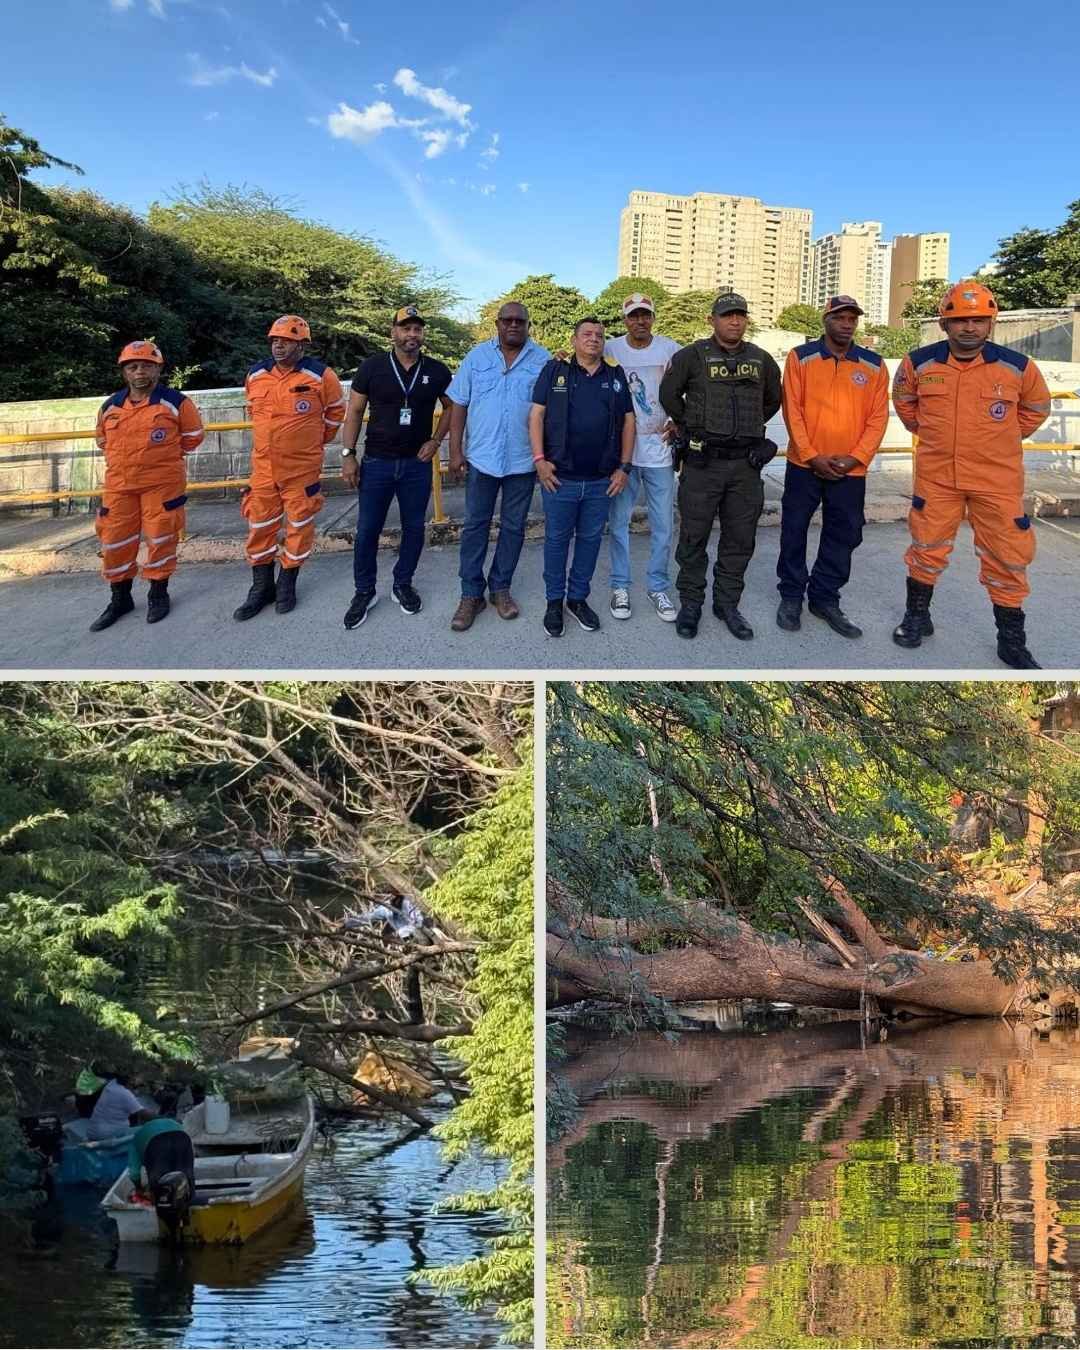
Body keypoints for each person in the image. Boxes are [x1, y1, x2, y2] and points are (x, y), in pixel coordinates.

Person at [891, 280, 1052, 668]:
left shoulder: (1018, 368)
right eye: (960, 320)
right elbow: (905, 405)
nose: (969, 328)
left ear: (991, 322)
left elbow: (1036, 409)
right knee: (926, 548)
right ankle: (917, 617)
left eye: (978, 320)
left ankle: (1011, 640)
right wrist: (934, 436)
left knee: (1007, 557)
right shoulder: (918, 363)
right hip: (937, 478)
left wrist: (1001, 439)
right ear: (944, 324)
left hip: (996, 481)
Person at [659, 293, 782, 640]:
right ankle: (691, 603)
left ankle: (727, 604)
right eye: (727, 315)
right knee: (694, 537)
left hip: (745, 466)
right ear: (712, 319)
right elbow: (668, 394)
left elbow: (774, 399)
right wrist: (689, 425)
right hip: (702, 464)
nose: (735, 321)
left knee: (739, 540)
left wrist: (749, 428)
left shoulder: (761, 359)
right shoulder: (691, 356)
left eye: (741, 315)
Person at [776, 295, 889, 638]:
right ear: (825, 320)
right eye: (839, 317)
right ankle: (792, 595)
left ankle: (824, 597)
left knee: (845, 534)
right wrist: (811, 455)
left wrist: (856, 457)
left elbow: (878, 416)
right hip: (804, 465)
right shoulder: (801, 357)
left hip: (850, 470)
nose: (846, 324)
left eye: (852, 318)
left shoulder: (873, 364)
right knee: (794, 530)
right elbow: (792, 410)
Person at [341, 306, 453, 629]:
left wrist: (436, 440)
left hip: (416, 465)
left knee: (414, 528)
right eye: (405, 329)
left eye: (417, 329)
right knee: (367, 531)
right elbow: (354, 412)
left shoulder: (435, 370)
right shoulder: (372, 367)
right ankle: (364, 592)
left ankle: (402, 584)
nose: (412, 335)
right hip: (376, 462)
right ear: (393, 332)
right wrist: (348, 454)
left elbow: (452, 407)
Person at [445, 301, 550, 631]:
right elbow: (458, 405)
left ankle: (500, 589)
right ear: (497, 323)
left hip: (522, 460)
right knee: (475, 526)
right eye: (508, 320)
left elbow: (550, 411)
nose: (514, 325)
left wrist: (544, 457)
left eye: (520, 320)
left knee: (514, 528)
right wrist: (455, 451)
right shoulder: (477, 357)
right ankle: (470, 594)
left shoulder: (542, 359)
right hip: (482, 459)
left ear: (528, 324)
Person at [233, 316, 346, 621]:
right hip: (264, 468)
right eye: (274, 340)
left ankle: (287, 583)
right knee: (259, 527)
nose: (278, 345)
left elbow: (336, 413)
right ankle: (260, 587)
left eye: (286, 340)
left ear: (302, 344)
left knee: (299, 527)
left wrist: (313, 442)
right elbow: (254, 413)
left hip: (301, 468)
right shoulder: (255, 375)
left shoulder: (321, 376)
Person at [529, 317, 635, 637]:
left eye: (599, 336)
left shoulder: (614, 374)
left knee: (589, 542)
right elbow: (536, 415)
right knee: (557, 542)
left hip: (601, 480)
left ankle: (577, 599)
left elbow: (628, 421)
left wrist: (624, 467)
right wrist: (539, 461)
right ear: (574, 340)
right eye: (587, 334)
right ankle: (553, 602)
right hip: (559, 479)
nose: (594, 339)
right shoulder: (555, 370)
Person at [91, 341, 204, 631]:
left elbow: (192, 437)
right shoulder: (110, 406)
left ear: (158, 369)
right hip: (119, 487)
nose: (139, 371)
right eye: (133, 366)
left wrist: (161, 460)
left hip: (161, 486)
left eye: (146, 365)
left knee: (161, 539)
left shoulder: (176, 403)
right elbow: (103, 440)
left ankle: (158, 594)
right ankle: (120, 598)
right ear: (125, 372)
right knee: (114, 542)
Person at [604, 294, 681, 623]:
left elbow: (686, 390)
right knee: (619, 523)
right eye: (634, 316)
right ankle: (620, 585)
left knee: (663, 524)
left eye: (645, 315)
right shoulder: (610, 349)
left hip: (659, 450)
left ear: (652, 317)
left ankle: (658, 586)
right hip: (623, 454)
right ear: (625, 320)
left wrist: (680, 419)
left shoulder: (670, 349)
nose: (640, 321)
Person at [86, 1073, 156, 1141]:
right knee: (143, 1133)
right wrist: (162, 1117)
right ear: (132, 1080)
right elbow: (146, 1115)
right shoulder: (125, 1094)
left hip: (94, 1130)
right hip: (106, 1135)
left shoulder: (112, 1083)